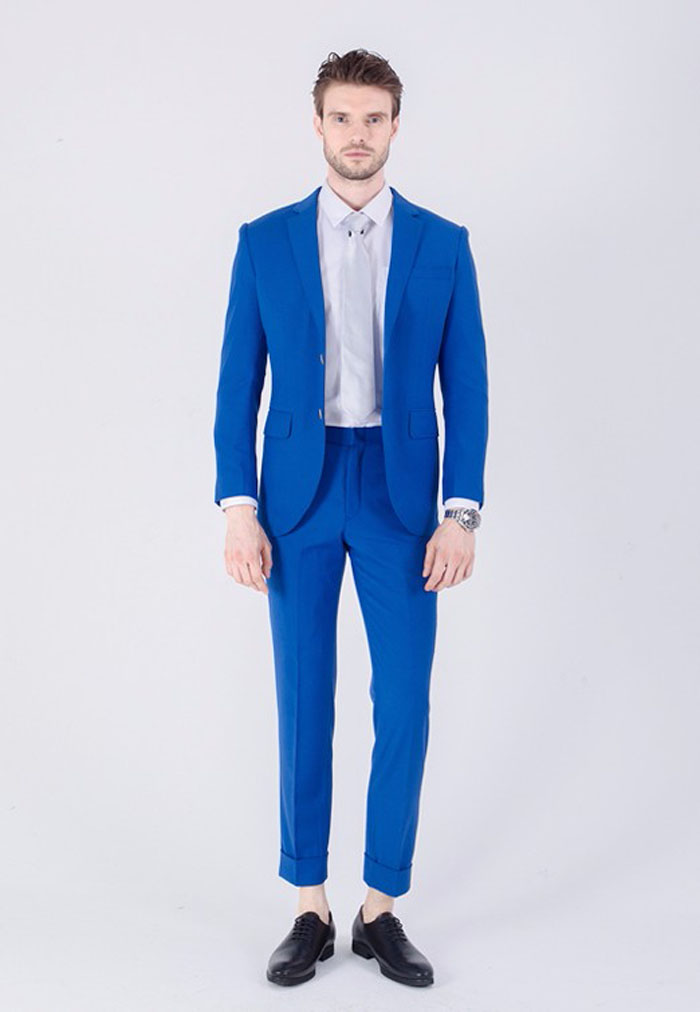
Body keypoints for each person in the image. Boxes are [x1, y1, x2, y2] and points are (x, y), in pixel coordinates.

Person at [213, 48, 489, 988]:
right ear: (318, 124)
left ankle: (380, 908)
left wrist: (461, 512)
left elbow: (468, 389)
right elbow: (236, 387)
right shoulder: (264, 241)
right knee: (304, 699)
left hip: (402, 499)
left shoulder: (443, 243)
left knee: (403, 703)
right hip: (295, 495)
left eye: (374, 118)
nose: (357, 134)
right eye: (342, 117)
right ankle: (309, 905)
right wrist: (238, 506)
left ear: (395, 126)